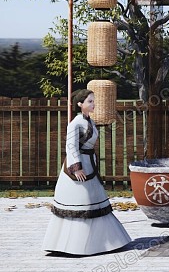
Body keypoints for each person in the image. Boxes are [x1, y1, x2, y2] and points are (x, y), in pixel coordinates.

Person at [43, 89, 131, 255]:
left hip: (89, 165)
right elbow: (71, 146)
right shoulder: (75, 123)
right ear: (80, 104)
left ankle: (103, 242)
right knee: (81, 201)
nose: (93, 104)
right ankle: (71, 245)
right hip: (78, 169)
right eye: (90, 101)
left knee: (95, 201)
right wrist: (76, 168)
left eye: (93, 100)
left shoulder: (90, 121)